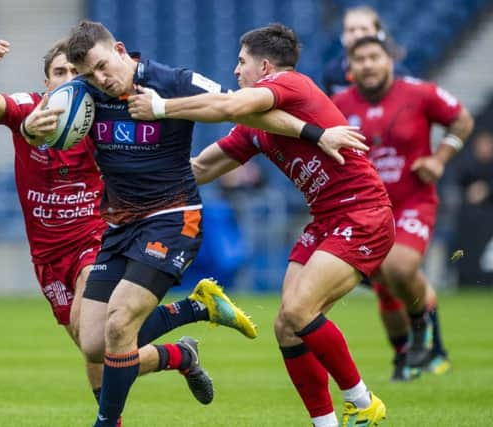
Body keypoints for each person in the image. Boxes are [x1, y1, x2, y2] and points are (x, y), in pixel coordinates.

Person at [0, 37, 258, 426]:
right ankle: (183, 346)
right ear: (45, 81)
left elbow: (194, 114)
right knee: (95, 347)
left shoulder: (95, 112)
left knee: (115, 328)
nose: (72, 80)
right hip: (48, 254)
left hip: (95, 236)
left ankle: (109, 421)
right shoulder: (31, 110)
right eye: (61, 73)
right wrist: (19, 116)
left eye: (78, 73)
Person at [129, 23, 394, 427]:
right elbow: (200, 168)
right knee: (287, 327)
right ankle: (325, 424)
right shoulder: (258, 127)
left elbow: (230, 106)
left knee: (300, 310)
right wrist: (131, 178)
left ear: (265, 67)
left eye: (241, 62)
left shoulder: (292, 83)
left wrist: (162, 107)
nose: (236, 71)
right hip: (326, 218)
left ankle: (363, 402)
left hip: (362, 212)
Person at [323, 5, 453, 381]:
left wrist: (438, 157)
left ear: (383, 39)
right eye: (350, 31)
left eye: (364, 29)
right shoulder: (333, 81)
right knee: (384, 284)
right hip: (364, 198)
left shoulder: (403, 82)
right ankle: (407, 357)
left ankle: (431, 345)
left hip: (406, 195)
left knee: (399, 271)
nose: (356, 36)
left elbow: (434, 116)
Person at [322, 5, 409, 96]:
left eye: (364, 29)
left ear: (379, 34)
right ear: (343, 35)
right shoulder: (332, 73)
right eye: (351, 30)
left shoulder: (398, 74)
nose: (358, 35)